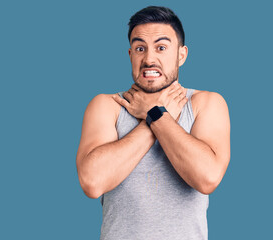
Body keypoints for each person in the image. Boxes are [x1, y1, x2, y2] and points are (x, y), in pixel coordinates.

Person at [76, 6, 230, 240]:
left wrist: (155, 115)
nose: (149, 59)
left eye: (161, 48)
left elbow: (207, 178)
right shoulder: (107, 105)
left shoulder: (207, 103)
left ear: (181, 54)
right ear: (130, 55)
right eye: (140, 48)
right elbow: (92, 182)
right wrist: (154, 116)